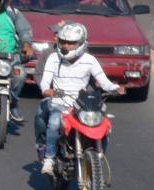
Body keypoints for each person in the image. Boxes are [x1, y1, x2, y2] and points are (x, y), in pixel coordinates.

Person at [36, 20, 120, 175]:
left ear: (81, 44)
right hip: (59, 102)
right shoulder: (53, 59)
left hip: (81, 105)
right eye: (63, 42)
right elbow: (45, 82)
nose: (66, 47)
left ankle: (98, 156)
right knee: (54, 122)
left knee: (105, 125)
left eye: (71, 44)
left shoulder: (90, 60)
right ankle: (49, 158)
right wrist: (46, 90)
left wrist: (115, 88)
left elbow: (104, 81)